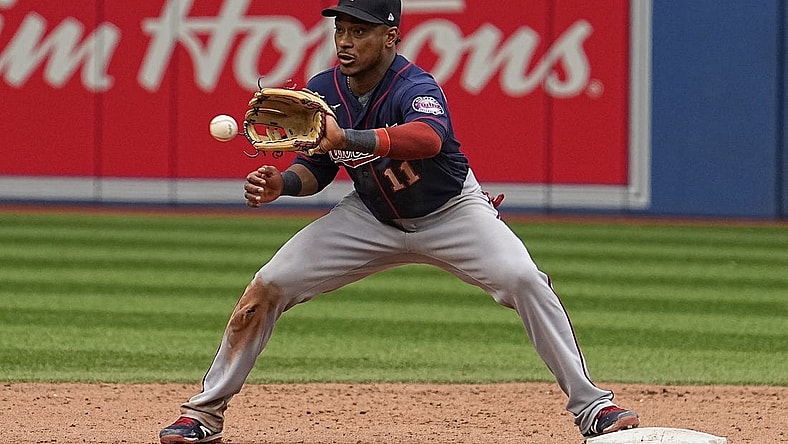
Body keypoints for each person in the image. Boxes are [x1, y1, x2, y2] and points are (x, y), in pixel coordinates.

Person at [159, 0, 640, 442]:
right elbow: (320, 167)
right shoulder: (323, 91)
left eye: (360, 31)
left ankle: (593, 408)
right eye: (340, 30)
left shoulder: (415, 87)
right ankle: (203, 414)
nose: (345, 41)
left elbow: (427, 139)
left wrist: (347, 136)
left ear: (390, 36)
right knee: (269, 284)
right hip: (370, 216)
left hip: (452, 212)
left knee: (523, 279)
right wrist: (281, 185)